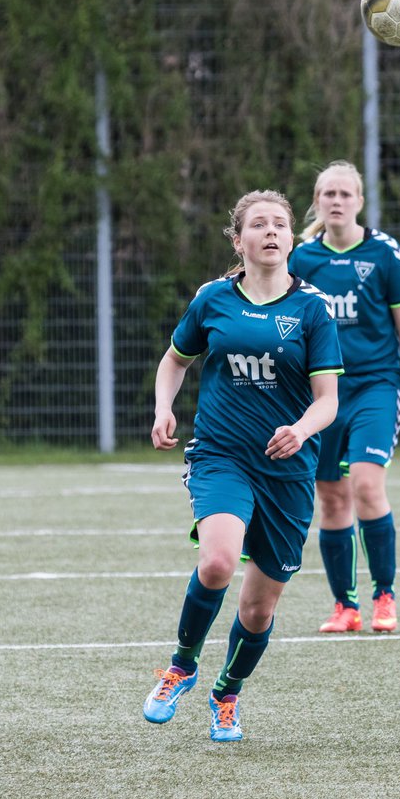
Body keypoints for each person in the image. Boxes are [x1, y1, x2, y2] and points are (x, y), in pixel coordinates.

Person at [144, 190, 342, 741]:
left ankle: (226, 693)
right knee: (217, 563)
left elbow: (327, 400)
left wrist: (300, 430)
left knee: (257, 611)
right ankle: (181, 666)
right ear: (239, 240)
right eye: (259, 225)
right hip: (221, 455)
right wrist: (163, 407)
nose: (273, 232)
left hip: (288, 471)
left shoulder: (313, 309)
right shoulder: (213, 300)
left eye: (281, 224)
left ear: (292, 238)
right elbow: (174, 362)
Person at [287, 160, 400, 634]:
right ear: (317, 201)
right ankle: (344, 606)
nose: (337, 201)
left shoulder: (385, 253)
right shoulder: (302, 259)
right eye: (328, 194)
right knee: (331, 499)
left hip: (376, 386)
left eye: (345, 194)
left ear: (359, 201)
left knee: (367, 484)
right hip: (322, 394)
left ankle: (384, 594)